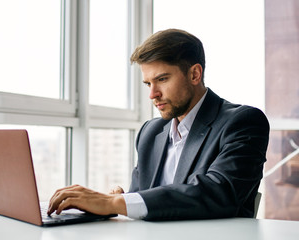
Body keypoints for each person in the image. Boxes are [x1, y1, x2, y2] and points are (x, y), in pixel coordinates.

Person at [47, 29, 270, 220]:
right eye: (148, 83)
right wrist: (117, 200)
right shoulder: (150, 132)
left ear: (194, 74)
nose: (153, 94)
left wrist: (115, 203)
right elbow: (143, 199)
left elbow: (219, 193)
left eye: (162, 79)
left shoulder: (243, 122)